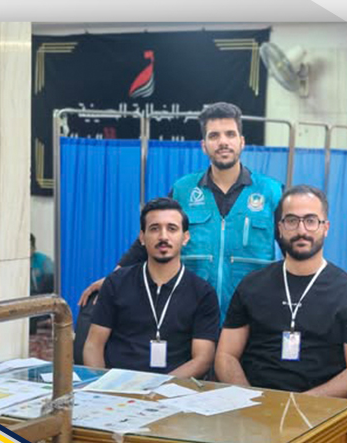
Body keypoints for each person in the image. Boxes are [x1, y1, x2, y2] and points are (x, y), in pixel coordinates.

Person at [77, 102, 282, 319]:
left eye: (230, 134)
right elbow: (151, 238)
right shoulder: (183, 190)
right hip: (190, 311)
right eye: (214, 136)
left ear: (241, 142)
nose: (223, 142)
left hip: (251, 312)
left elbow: (292, 248)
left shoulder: (271, 191)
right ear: (204, 145)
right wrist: (113, 279)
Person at [214, 185, 347, 397]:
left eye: (311, 221)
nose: (301, 231)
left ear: (325, 227)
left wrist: (301, 405)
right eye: (292, 221)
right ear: (280, 228)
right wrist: (248, 399)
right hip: (253, 403)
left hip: (319, 408)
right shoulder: (251, 285)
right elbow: (226, 355)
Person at [82, 198, 220, 377]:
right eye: (154, 229)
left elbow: (203, 359)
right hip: (118, 386)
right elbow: (93, 345)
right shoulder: (116, 282)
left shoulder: (203, 293)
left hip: (174, 388)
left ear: (185, 237)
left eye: (172, 229)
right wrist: (101, 384)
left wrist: (159, 387)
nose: (163, 237)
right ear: (142, 237)